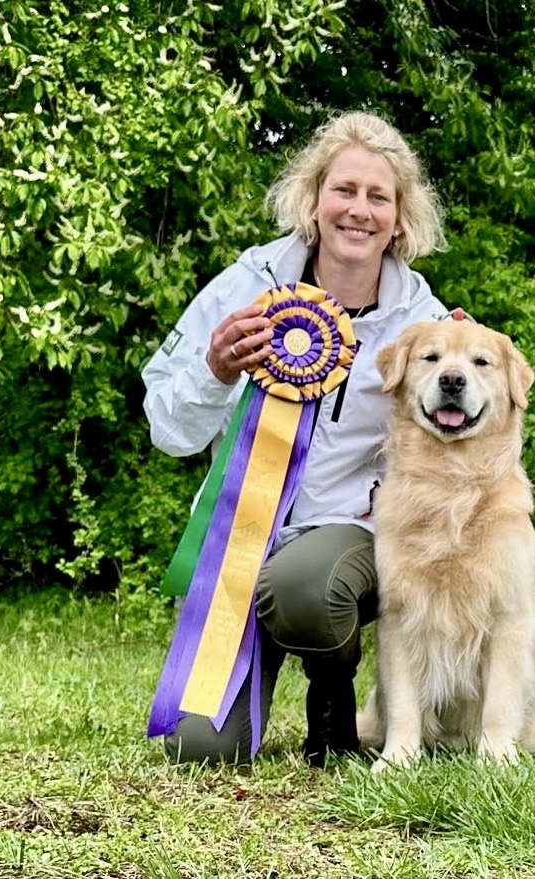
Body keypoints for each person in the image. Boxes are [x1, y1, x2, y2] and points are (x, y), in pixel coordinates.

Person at [142, 110, 448, 767]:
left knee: (304, 585)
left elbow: (460, 451)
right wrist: (215, 369)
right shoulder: (244, 287)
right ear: (312, 201)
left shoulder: (425, 322)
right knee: (202, 750)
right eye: (344, 190)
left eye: (378, 196)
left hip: (350, 535)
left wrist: (459, 376)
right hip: (239, 541)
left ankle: (332, 696)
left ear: (400, 219)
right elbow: (168, 431)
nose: (358, 210)